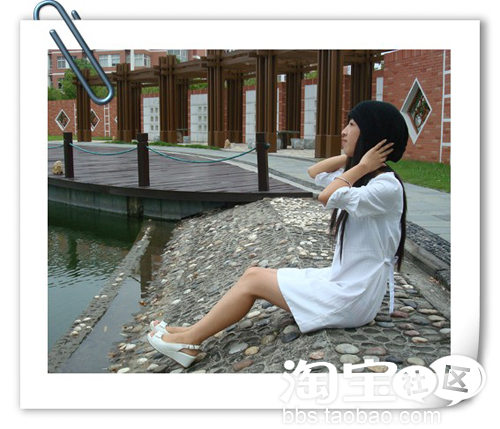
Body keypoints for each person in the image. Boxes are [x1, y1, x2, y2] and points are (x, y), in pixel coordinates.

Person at [147, 100, 409, 368]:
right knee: (253, 273)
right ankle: (192, 331)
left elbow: (325, 196)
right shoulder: (367, 178)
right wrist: (360, 160)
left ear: (372, 134)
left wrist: (363, 164)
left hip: (352, 297)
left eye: (352, 125)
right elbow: (315, 171)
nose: (343, 131)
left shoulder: (384, 187)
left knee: (253, 280)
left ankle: (190, 341)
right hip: (343, 283)